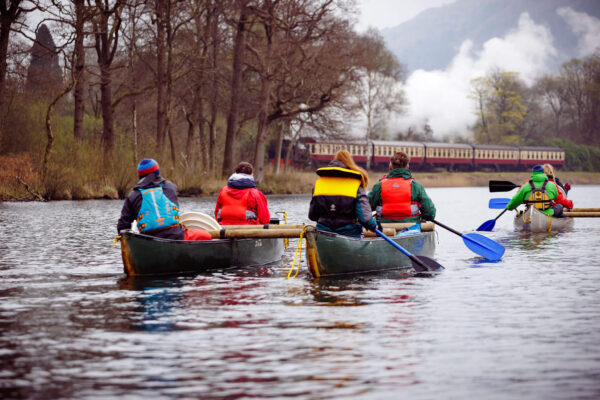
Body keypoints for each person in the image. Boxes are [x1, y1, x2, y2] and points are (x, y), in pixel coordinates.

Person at [117, 158, 211, 240]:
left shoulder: (132, 195)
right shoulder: (170, 187)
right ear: (157, 172)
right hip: (176, 236)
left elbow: (122, 226)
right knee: (206, 235)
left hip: (148, 240)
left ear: (140, 176)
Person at [308, 150, 380, 237]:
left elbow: (312, 215)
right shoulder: (356, 186)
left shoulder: (318, 185)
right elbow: (365, 219)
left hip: (323, 233)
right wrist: (375, 226)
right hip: (349, 233)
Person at [368, 151, 436, 224]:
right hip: (411, 228)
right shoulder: (416, 186)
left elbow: (365, 208)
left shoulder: (378, 186)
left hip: (383, 229)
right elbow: (429, 214)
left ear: (390, 167)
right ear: (407, 167)